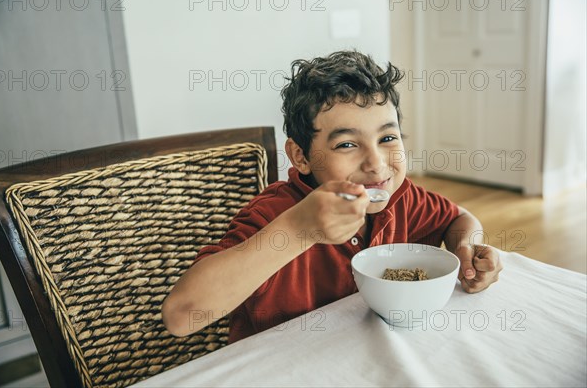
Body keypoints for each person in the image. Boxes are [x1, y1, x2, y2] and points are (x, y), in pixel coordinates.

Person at [162, 50, 503, 342]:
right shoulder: (278, 213)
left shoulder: (401, 198)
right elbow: (180, 316)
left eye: (387, 139)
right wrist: (300, 229)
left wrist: (466, 247)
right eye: (347, 145)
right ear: (301, 157)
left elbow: (459, 218)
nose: (376, 163)